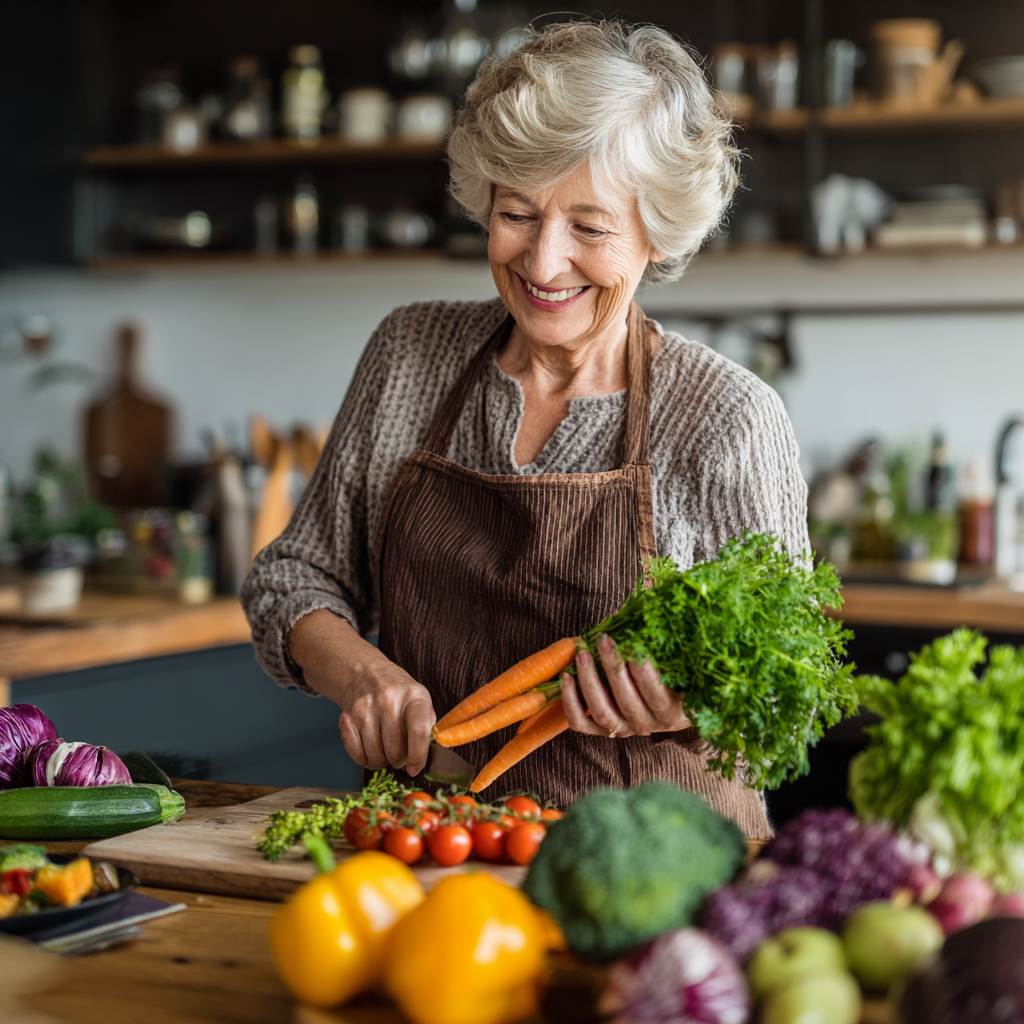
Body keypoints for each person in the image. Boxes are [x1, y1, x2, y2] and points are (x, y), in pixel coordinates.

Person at [242, 20, 808, 838]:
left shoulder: (728, 418)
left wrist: (683, 708)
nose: (544, 264)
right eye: (517, 213)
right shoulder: (411, 353)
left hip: (657, 868)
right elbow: (292, 579)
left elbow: (782, 704)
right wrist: (358, 672)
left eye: (591, 226)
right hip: (431, 846)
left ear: (658, 231)